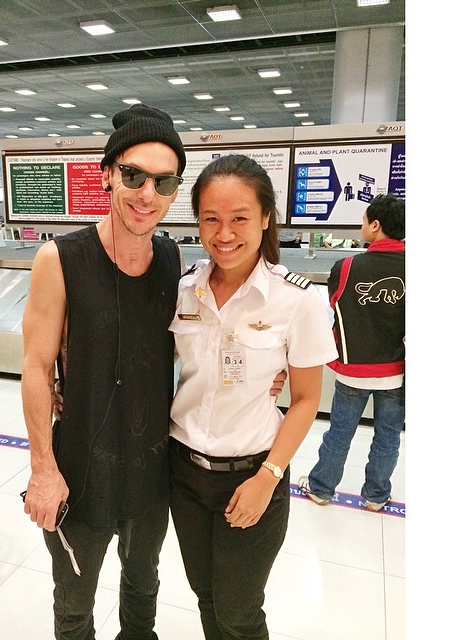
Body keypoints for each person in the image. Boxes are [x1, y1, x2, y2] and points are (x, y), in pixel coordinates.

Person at [21, 103, 188, 640]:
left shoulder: (171, 259)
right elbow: (36, 366)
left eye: (164, 182)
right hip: (80, 469)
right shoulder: (60, 258)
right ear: (107, 175)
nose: (147, 195)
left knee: (143, 589)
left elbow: (183, 346)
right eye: (134, 176)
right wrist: (43, 470)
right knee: (74, 603)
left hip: (150, 469)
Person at [167, 154, 338, 639]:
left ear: (265, 218)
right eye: (210, 219)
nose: (224, 234)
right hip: (183, 472)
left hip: (253, 473)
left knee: (239, 611)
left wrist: (269, 476)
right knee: (206, 597)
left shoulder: (297, 299)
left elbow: (305, 400)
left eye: (239, 218)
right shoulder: (184, 290)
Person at [298, 194, 405, 512]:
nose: (362, 226)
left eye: (364, 220)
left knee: (340, 432)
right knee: (388, 436)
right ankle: (376, 496)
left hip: (352, 368)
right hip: (397, 371)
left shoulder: (345, 267)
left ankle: (321, 488)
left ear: (376, 225)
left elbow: (336, 304)